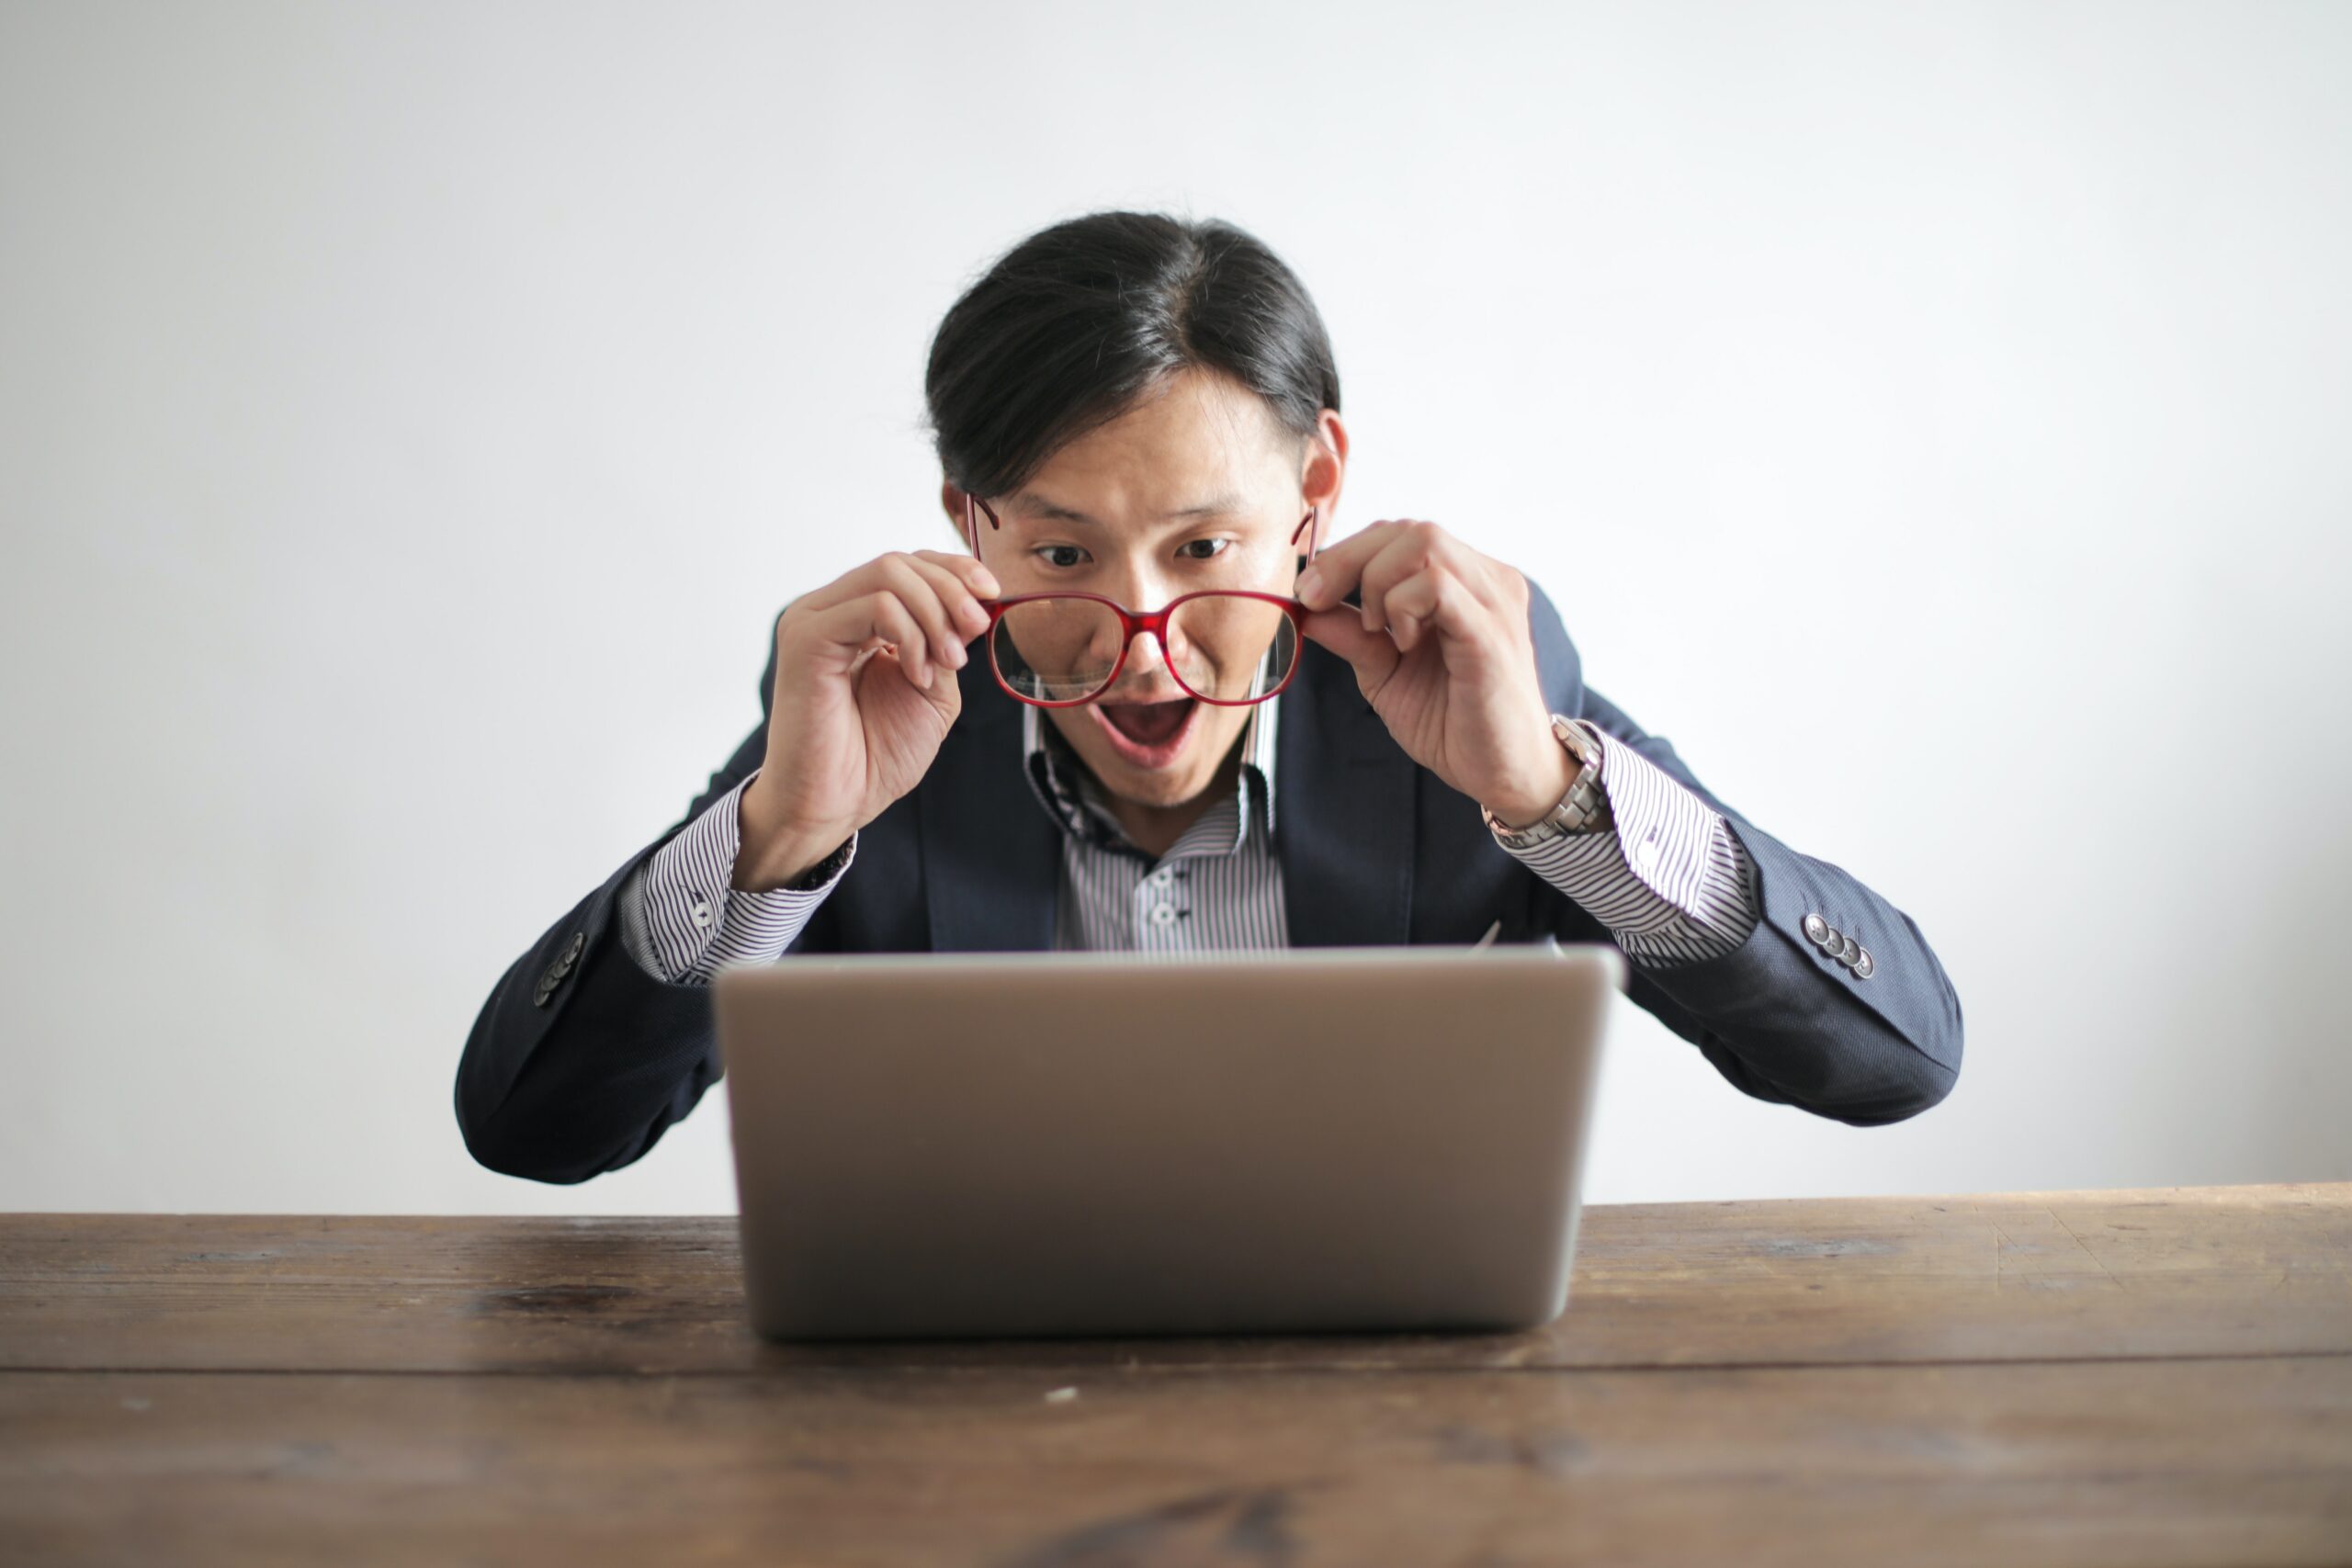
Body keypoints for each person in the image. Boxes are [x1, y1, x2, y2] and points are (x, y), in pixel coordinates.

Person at [456, 210, 1962, 1185]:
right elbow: (534, 1132)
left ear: (1314, 495)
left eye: (1203, 548)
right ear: (967, 523)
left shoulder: (1467, 686)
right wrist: (778, 837)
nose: (1142, 636)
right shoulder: (882, 717)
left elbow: (1895, 1063)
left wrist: (1551, 802)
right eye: (1060, 551)